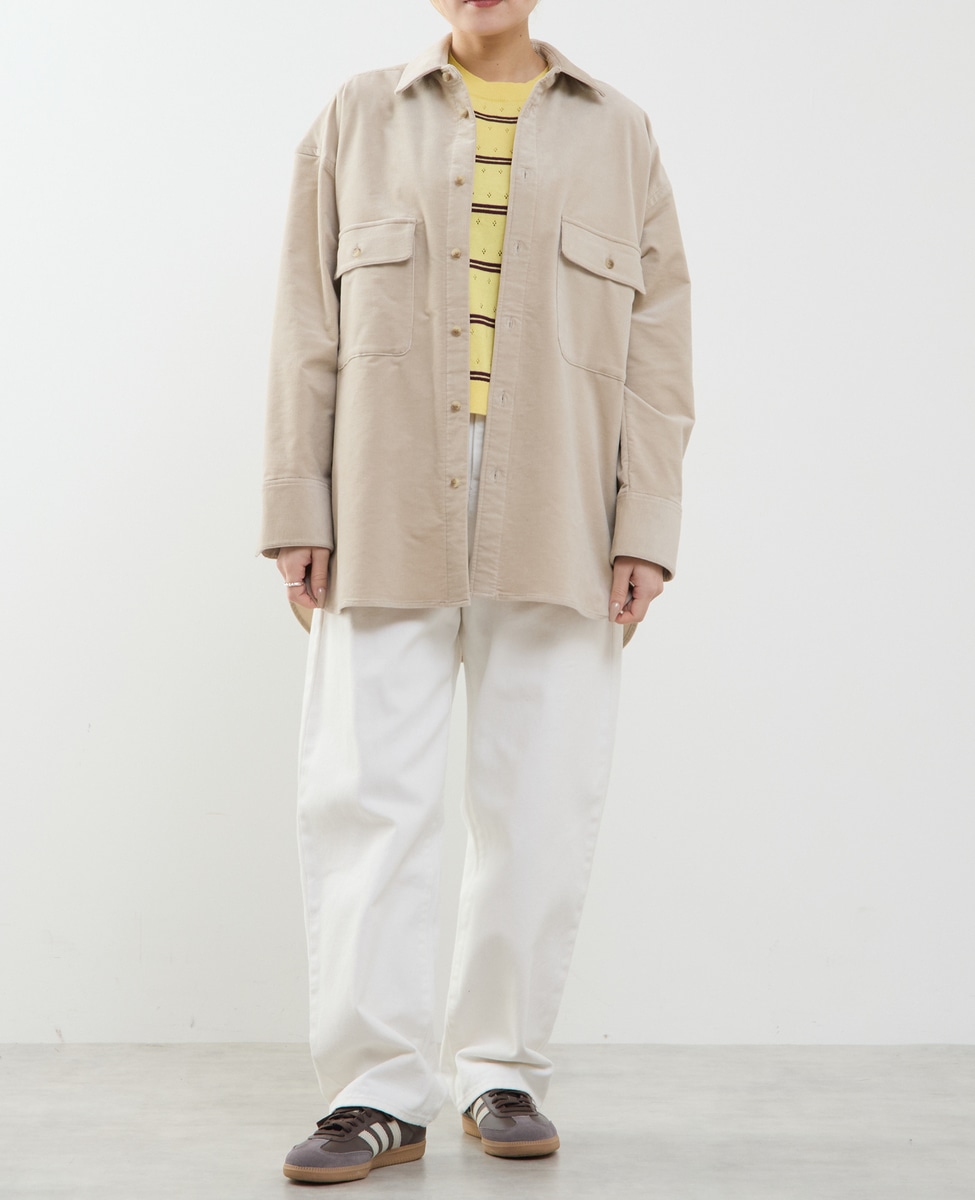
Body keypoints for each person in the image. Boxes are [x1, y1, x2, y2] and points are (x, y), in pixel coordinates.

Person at [259, 0, 693, 1184]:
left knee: (539, 798)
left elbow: (659, 348)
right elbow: (304, 320)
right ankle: (374, 1092)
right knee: (365, 797)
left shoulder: (621, 134)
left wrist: (646, 525)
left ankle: (500, 1070)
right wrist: (296, 505)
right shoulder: (355, 117)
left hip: (561, 503)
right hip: (380, 492)